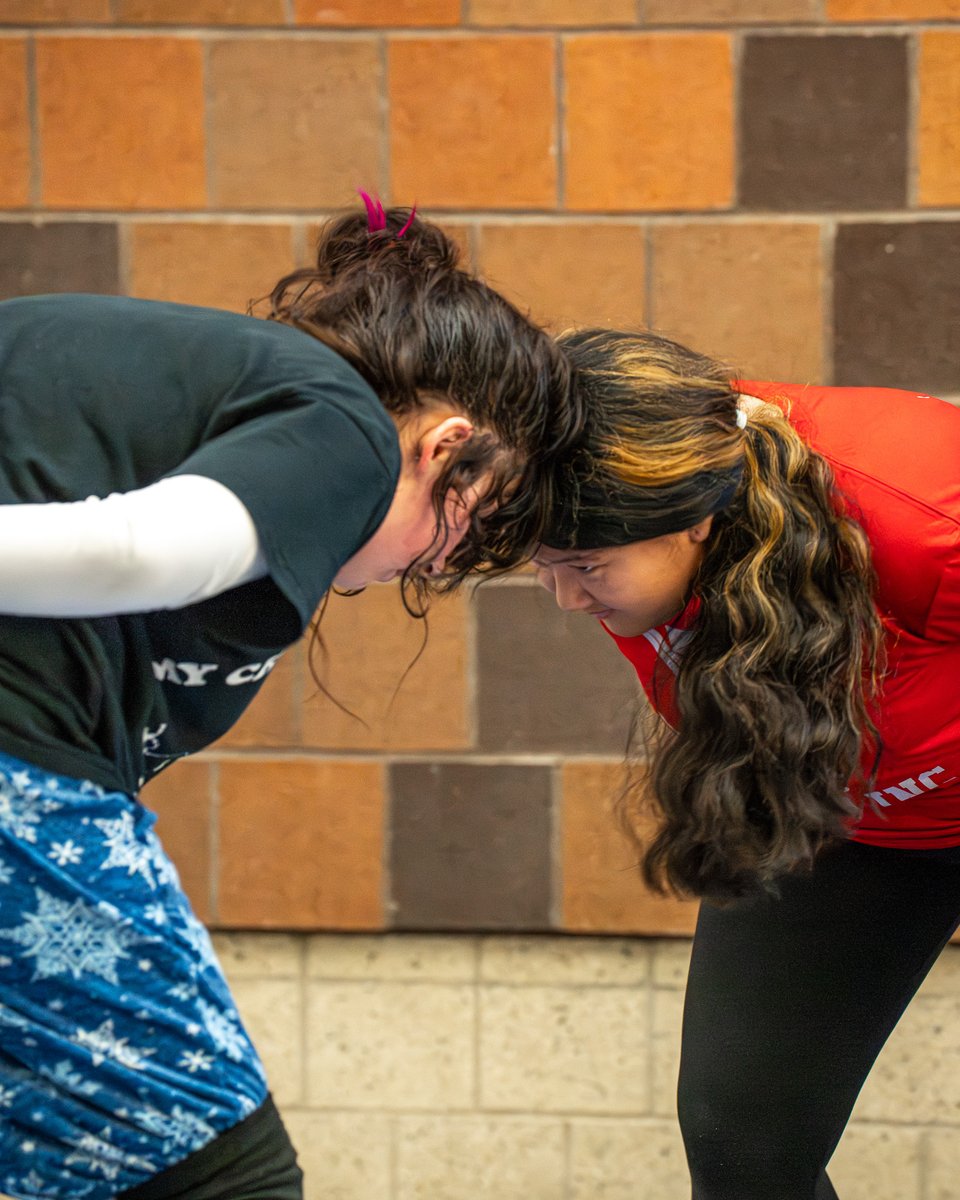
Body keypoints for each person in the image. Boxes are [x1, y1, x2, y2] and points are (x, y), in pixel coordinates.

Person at [0, 200, 580, 1200]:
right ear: (446, 448)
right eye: (462, 536)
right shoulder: (347, 426)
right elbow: (128, 551)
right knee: (221, 1177)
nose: (433, 567)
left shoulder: (215, 411)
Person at [534, 327, 960, 1200]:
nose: (567, 598)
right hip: (856, 818)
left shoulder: (926, 524)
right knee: (744, 1144)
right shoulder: (647, 491)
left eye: (586, 566)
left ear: (693, 515)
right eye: (541, 567)